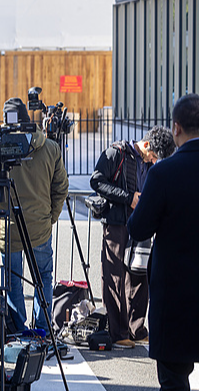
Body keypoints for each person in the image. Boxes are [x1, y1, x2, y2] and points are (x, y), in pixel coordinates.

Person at [0, 98, 69, 333]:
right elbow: (61, 188)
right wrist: (50, 217)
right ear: (28, 120)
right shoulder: (50, 147)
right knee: (43, 278)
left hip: (8, 232)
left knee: (11, 282)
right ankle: (42, 329)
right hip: (39, 228)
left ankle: (18, 330)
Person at [128, 94, 199, 391]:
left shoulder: (164, 173)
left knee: (173, 378)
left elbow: (138, 227)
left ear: (176, 128)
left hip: (176, 292)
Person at [90, 126, 175, 349]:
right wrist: (129, 198)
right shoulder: (116, 152)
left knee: (140, 276)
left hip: (141, 225)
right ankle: (118, 333)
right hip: (117, 222)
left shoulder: (149, 164)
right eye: (154, 156)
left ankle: (137, 329)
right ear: (146, 145)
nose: (154, 161)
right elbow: (96, 182)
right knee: (115, 277)